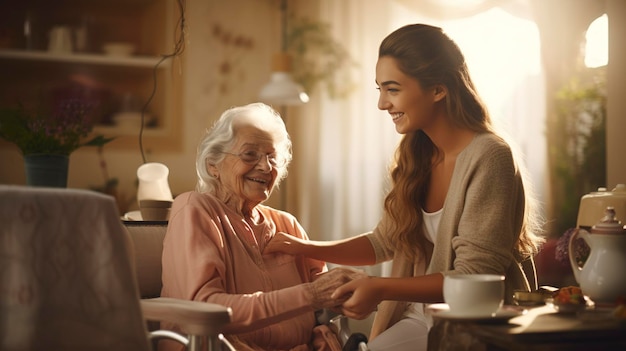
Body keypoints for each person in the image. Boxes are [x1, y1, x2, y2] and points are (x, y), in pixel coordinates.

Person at [264, 24, 545, 351]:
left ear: (438, 90)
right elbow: (385, 241)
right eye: (379, 89)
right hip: (422, 318)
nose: (382, 104)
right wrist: (305, 247)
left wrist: (379, 287)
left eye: (393, 89)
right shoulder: (419, 153)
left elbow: (472, 278)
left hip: (476, 328)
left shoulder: (491, 156)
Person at [160, 102, 366, 351]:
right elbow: (206, 309)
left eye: (272, 157)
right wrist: (309, 295)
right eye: (250, 154)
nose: (266, 167)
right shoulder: (195, 209)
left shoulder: (286, 224)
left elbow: (324, 302)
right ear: (213, 164)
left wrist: (351, 293)